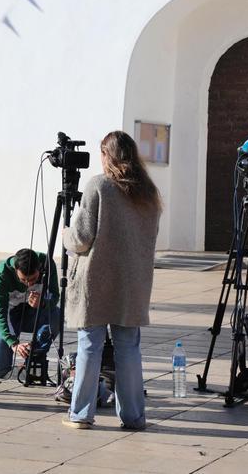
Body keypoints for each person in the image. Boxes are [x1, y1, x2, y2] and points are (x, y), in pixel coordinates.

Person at [61, 130, 162, 430]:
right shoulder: (148, 192)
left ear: (108, 155)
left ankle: (80, 413)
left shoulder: (100, 186)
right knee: (128, 348)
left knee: (90, 346)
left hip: (97, 280)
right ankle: (133, 417)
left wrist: (65, 234)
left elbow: (81, 237)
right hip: (133, 283)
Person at [0, 248, 59, 379]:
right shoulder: (2, 273)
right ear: (15, 270)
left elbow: (55, 296)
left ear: (39, 268)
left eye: (33, 279)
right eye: (23, 280)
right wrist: (13, 343)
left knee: (56, 315)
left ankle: (33, 354)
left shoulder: (47, 263)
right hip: (8, 315)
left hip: (32, 312)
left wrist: (43, 303)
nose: (29, 284)